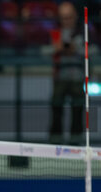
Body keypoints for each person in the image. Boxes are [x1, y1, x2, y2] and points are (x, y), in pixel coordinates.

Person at [48, 2, 89, 145]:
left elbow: (91, 50)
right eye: (63, 18)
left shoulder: (83, 32)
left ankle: (75, 141)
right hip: (60, 77)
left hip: (77, 78)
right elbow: (49, 49)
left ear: (75, 16)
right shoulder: (55, 32)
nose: (66, 21)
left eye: (69, 17)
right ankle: (55, 140)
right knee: (56, 106)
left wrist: (74, 48)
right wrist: (59, 48)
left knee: (78, 109)